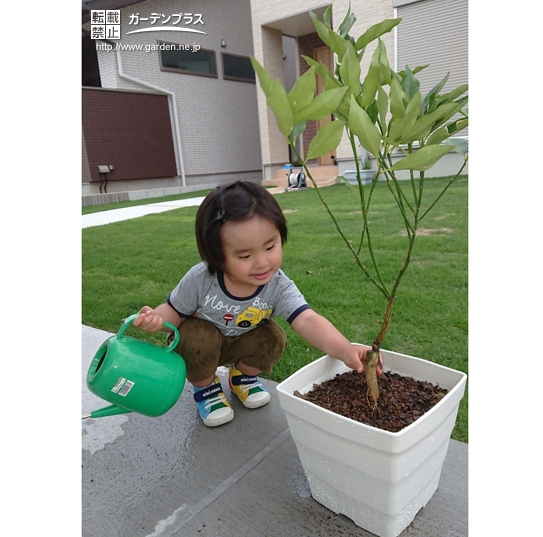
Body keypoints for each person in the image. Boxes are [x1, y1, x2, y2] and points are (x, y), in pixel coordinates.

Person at [133, 180, 381, 427]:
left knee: (273, 337)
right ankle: (206, 389)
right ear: (215, 256)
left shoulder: (278, 285)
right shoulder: (201, 279)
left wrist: (346, 349)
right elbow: (175, 312)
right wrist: (157, 321)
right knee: (197, 337)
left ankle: (241, 378)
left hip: (243, 341)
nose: (262, 263)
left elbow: (307, 319)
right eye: (245, 256)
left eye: (270, 246)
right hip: (203, 346)